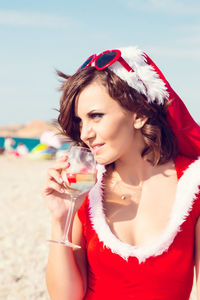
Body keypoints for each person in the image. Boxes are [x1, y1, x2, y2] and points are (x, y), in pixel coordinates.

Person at [43, 46, 200, 300]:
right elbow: (65, 297)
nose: (85, 133)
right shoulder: (86, 188)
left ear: (138, 114)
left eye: (96, 116)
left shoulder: (192, 185)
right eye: (81, 120)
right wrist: (61, 219)